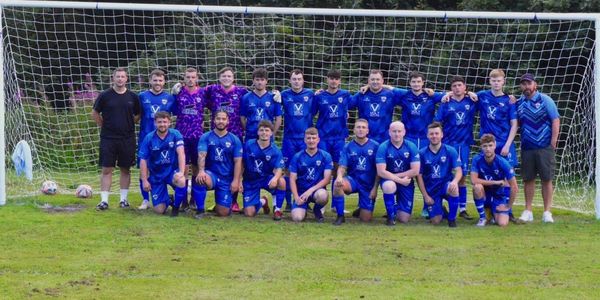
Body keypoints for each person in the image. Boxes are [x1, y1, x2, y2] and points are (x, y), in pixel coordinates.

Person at [92, 67, 140, 210]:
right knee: (107, 169)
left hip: (127, 138)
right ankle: (104, 201)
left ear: (126, 79)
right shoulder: (105, 95)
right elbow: (95, 112)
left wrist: (128, 124)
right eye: (117, 76)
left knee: (125, 169)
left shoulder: (133, 97)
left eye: (122, 76)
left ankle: (123, 200)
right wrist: (104, 126)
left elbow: (138, 115)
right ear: (113, 78)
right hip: (108, 138)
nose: (120, 79)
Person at [475, 69, 519, 222]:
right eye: (493, 80)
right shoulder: (482, 96)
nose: (496, 83)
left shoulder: (509, 100)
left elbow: (514, 124)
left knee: (507, 178)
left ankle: (507, 209)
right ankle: (488, 211)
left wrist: (508, 144)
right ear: (489, 81)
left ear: (503, 81)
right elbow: (464, 95)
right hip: (487, 143)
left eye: (499, 80)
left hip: (504, 144)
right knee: (485, 175)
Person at [516, 73, 560, 223]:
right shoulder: (519, 102)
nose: (526, 87)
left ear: (535, 84)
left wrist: (553, 141)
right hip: (527, 147)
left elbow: (555, 120)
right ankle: (528, 210)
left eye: (529, 83)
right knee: (528, 179)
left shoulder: (545, 99)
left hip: (544, 146)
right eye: (523, 84)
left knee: (546, 179)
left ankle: (547, 212)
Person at [434, 75, 478, 220]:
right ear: (451, 89)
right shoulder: (446, 103)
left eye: (460, 85)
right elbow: (438, 122)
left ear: (465, 87)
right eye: (454, 86)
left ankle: (463, 209)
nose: (457, 88)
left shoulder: (471, 101)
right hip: (448, 145)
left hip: (464, 144)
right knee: (443, 175)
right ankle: (439, 206)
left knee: (462, 177)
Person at [312, 69, 353, 214]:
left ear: (339, 81)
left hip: (339, 138)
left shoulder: (346, 95)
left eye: (336, 79)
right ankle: (321, 202)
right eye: (331, 78)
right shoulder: (319, 96)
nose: (333, 81)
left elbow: (358, 102)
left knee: (338, 169)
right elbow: (311, 112)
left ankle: (336, 204)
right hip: (323, 137)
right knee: (323, 169)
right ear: (327, 80)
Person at [137, 69, 176, 210]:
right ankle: (145, 200)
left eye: (160, 80)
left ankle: (171, 198)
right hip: (145, 138)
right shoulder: (142, 96)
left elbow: (178, 114)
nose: (157, 83)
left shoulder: (170, 98)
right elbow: (136, 115)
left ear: (164, 81)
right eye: (155, 80)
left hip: (164, 140)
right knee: (144, 168)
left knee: (166, 167)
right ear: (150, 81)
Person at [195, 110, 243, 218]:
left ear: (228, 121)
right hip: (211, 174)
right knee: (200, 179)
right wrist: (201, 171)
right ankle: (200, 210)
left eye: (223, 119)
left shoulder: (234, 140)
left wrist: (236, 180)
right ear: (214, 120)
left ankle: (220, 204)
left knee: (223, 213)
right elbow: (202, 155)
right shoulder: (206, 137)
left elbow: (238, 162)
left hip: (226, 178)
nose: (221, 121)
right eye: (218, 119)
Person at [138, 112, 187, 216]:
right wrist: (145, 180)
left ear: (169, 122)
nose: (162, 124)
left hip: (171, 172)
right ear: (155, 123)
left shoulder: (175, 134)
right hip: (156, 176)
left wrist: (181, 172)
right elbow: (143, 160)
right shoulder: (149, 138)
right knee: (159, 210)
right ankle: (168, 199)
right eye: (159, 122)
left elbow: (181, 153)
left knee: (182, 180)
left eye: (165, 122)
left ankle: (176, 208)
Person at [333, 119, 380, 225]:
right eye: (358, 127)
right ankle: (340, 216)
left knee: (365, 219)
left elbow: (379, 170)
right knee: (337, 184)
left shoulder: (376, 146)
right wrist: (339, 176)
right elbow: (342, 166)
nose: (360, 130)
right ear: (354, 130)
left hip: (368, 185)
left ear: (367, 131)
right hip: (353, 181)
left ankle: (362, 208)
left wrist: (375, 188)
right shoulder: (348, 146)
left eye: (363, 127)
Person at [280, 69, 315, 212]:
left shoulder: (311, 94)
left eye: (299, 79)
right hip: (289, 138)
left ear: (303, 80)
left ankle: (306, 200)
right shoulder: (283, 95)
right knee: (288, 170)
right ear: (290, 81)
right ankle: (288, 202)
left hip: (305, 139)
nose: (297, 81)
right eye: (294, 79)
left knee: (305, 170)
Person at [173, 67, 207, 211]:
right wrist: (172, 94)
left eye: (193, 77)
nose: (191, 79)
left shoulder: (203, 93)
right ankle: (183, 201)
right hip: (182, 136)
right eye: (188, 77)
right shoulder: (179, 92)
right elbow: (172, 110)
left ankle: (194, 198)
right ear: (184, 78)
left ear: (197, 78)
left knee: (196, 167)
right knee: (184, 168)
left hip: (197, 136)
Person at [416, 122, 462, 227]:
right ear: (427, 135)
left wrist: (454, 182)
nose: (434, 136)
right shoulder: (422, 153)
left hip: (445, 185)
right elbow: (419, 176)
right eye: (431, 134)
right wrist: (425, 196)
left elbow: (459, 170)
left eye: (436, 133)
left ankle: (452, 219)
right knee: (436, 221)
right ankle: (442, 211)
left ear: (442, 135)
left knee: (453, 188)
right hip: (431, 190)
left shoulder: (450, 151)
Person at [376, 121, 420, 226]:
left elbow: (415, 171)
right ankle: (390, 218)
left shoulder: (411, 146)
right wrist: (399, 180)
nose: (397, 134)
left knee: (404, 219)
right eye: (394, 131)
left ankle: (394, 207)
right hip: (391, 180)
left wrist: (394, 177)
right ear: (389, 132)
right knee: (388, 185)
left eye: (399, 131)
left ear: (404, 132)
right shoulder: (383, 147)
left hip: (406, 181)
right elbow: (381, 171)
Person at [470, 134, 518, 227]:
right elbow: (473, 180)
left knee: (502, 223)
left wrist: (508, 206)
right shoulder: (477, 159)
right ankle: (482, 218)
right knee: (477, 187)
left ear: (495, 145)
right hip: (484, 193)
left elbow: (514, 186)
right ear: (481, 147)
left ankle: (492, 213)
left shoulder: (503, 162)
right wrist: (495, 182)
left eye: (490, 145)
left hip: (498, 195)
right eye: (485, 146)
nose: (488, 149)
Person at [241, 120, 286, 219]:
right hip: (250, 180)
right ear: (258, 132)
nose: (264, 133)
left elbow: (279, 168)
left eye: (267, 130)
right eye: (261, 130)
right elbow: (241, 163)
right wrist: (239, 179)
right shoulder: (249, 145)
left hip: (265, 178)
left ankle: (277, 209)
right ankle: (263, 201)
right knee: (249, 213)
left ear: (271, 133)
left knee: (281, 181)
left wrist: (275, 179)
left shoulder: (275, 151)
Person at [289, 127, 333, 223]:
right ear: (305, 140)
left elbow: (327, 179)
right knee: (297, 218)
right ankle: (302, 209)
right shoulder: (297, 156)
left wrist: (310, 190)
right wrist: (296, 197)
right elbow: (292, 179)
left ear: (318, 140)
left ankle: (317, 210)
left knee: (323, 195)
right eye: (308, 138)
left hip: (316, 191)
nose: (311, 140)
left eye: (313, 138)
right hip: (301, 193)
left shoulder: (326, 156)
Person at [350, 69, 405, 144]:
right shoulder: (361, 94)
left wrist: (389, 87)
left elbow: (409, 94)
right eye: (372, 79)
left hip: (385, 138)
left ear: (382, 81)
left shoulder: (390, 94)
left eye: (378, 79)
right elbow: (346, 104)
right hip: (365, 139)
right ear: (368, 81)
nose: (375, 82)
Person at [240, 68, 283, 141]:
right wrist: (249, 130)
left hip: (267, 137)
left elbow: (278, 119)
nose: (260, 82)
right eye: (257, 79)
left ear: (266, 81)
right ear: (253, 81)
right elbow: (242, 118)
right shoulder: (246, 98)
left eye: (262, 80)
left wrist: (272, 133)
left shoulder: (274, 97)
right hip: (251, 137)